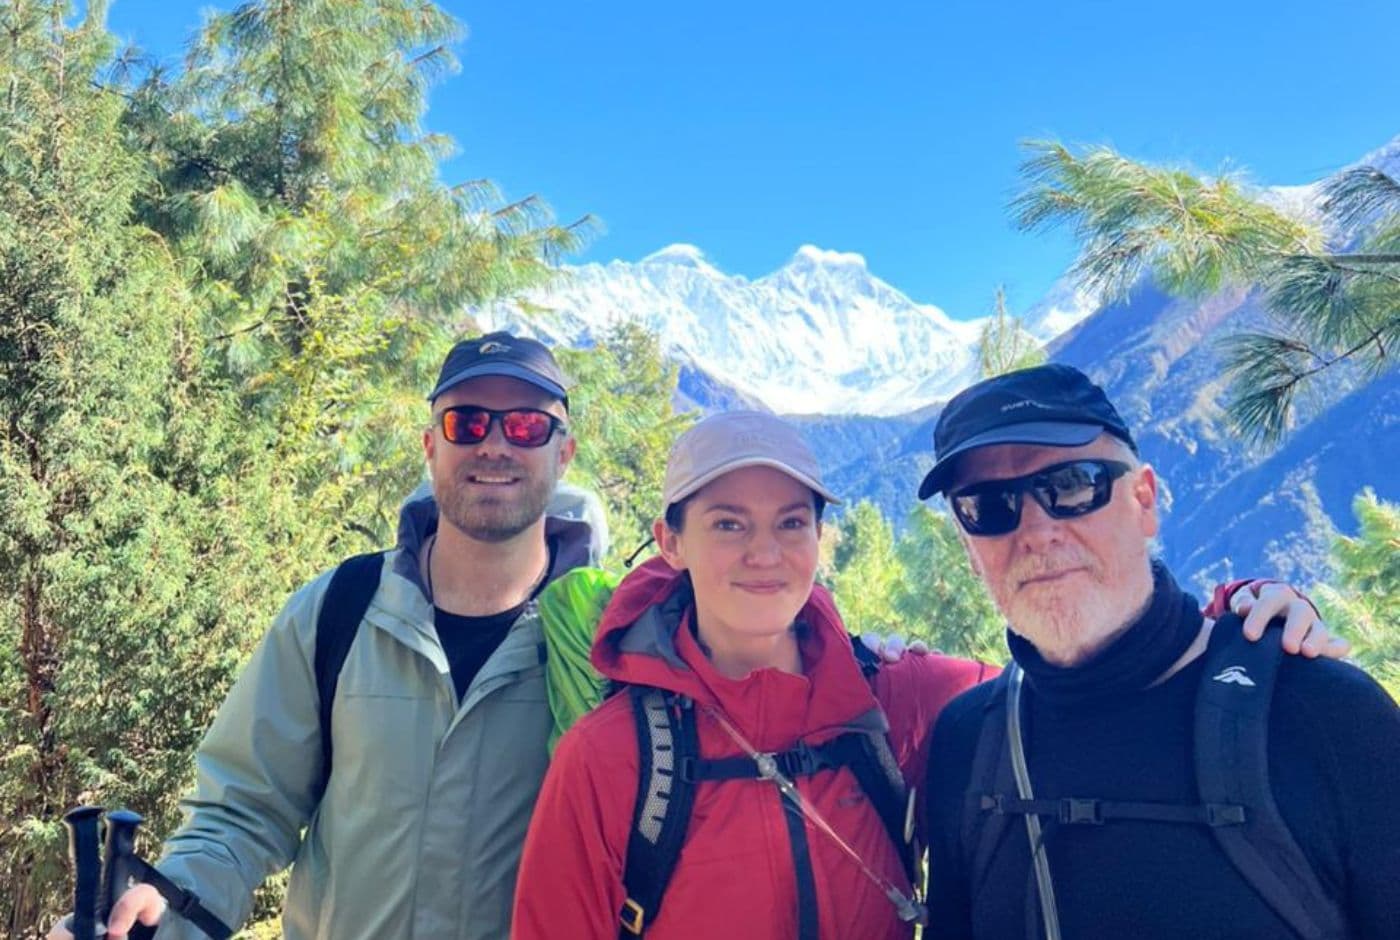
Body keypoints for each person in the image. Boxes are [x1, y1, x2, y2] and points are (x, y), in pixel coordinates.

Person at [511, 410, 1338, 940]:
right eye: (728, 523)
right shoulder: (611, 757)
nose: (764, 553)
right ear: (671, 541)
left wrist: (1237, 623)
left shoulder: (892, 696)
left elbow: (1088, 675)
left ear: (819, 538)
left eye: (791, 522)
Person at [56, 332, 598, 940]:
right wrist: (166, 908)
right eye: (466, 423)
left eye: (526, 426)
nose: (494, 445)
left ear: (564, 453)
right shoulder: (339, 610)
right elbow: (243, 812)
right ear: (430, 447)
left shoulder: (602, 644)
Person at [918, 364, 1400, 939]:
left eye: (1073, 484)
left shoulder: (1322, 715)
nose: (1036, 530)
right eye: (988, 506)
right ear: (968, 545)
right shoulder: (966, 742)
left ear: (1144, 500)